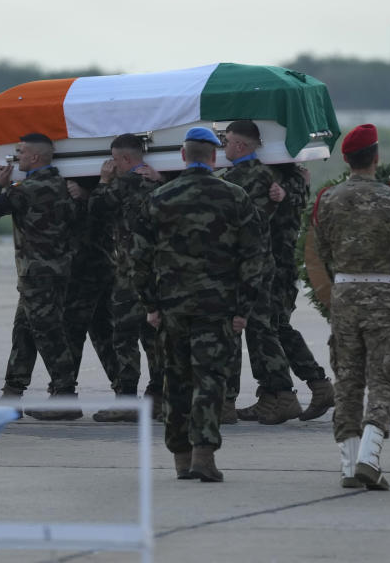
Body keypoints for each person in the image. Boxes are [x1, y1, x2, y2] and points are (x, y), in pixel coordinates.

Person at [130, 127, 264, 482]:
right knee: (210, 378)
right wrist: (242, 308)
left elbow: (138, 257)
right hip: (217, 306)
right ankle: (204, 455)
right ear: (215, 157)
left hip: (172, 308)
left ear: (183, 156)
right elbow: (254, 256)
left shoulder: (159, 197)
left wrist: (150, 304)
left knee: (175, 379)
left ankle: (181, 458)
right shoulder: (235, 197)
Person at [313, 123, 390, 490]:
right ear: (376, 157)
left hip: (345, 294)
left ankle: (349, 465)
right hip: (385, 296)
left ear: (346, 159)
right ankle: (369, 457)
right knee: (385, 376)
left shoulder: (328, 199)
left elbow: (322, 253)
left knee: (348, 378)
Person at [0, 133, 82, 421]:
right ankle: (11, 394)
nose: (15, 157)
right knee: (23, 333)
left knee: (48, 334)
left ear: (35, 157)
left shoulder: (26, 190)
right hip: (55, 272)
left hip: (38, 275)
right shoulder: (63, 186)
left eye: (20, 152)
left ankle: (66, 397)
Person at [221, 120, 304, 425]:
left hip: (249, 266)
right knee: (259, 330)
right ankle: (275, 396)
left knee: (257, 330)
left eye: (226, 140)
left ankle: (281, 394)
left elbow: (249, 223)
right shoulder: (249, 176)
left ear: (241, 145)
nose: (223, 146)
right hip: (255, 264)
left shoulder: (252, 176)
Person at [87, 133, 166, 422]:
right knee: (155, 337)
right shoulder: (160, 184)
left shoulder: (121, 184)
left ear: (125, 159)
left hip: (128, 273)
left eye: (113, 159)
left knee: (123, 336)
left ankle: (127, 400)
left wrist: (104, 181)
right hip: (158, 272)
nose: (111, 164)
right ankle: (158, 397)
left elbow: (95, 210)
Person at [270, 162, 335, 420]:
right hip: (280, 265)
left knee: (275, 327)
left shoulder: (289, 179)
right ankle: (277, 394)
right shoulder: (295, 178)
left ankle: (315, 384)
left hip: (277, 267)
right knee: (274, 326)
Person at [62, 176, 119, 399]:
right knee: (104, 331)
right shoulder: (104, 192)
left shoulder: (95, 198)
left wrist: (87, 193)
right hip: (103, 266)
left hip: (85, 270)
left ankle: (64, 394)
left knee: (72, 331)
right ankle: (124, 390)